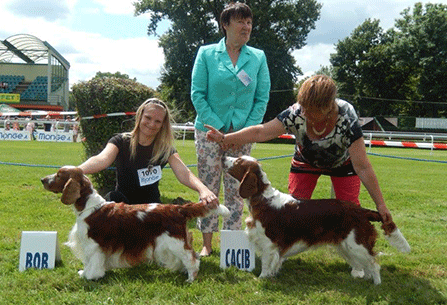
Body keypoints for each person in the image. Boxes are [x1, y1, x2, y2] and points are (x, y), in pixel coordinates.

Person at [205, 75, 394, 223]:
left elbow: (363, 167)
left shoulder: (347, 117)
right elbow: (260, 132)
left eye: (310, 110)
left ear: (328, 107)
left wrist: (381, 205)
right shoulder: (295, 113)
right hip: (305, 161)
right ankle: (291, 246)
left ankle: (357, 258)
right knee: (293, 210)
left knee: (350, 210)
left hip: (342, 164)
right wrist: (224, 137)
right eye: (303, 107)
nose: (304, 113)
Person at [190, 1, 270, 257]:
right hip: (209, 132)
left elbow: (262, 98)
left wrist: (242, 132)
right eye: (240, 21)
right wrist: (221, 129)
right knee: (209, 188)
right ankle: (206, 244)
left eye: (249, 22)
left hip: (242, 135)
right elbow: (198, 94)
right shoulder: (205, 54)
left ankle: (232, 245)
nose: (246, 26)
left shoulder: (257, 57)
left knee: (238, 190)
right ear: (225, 25)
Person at [77, 98, 219, 208]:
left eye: (158, 121)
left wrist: (203, 190)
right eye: (148, 118)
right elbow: (102, 159)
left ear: (163, 125)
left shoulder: (165, 149)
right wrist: (76, 171)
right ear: (140, 116)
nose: (152, 124)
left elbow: (184, 173)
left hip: (151, 209)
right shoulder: (120, 141)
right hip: (121, 205)